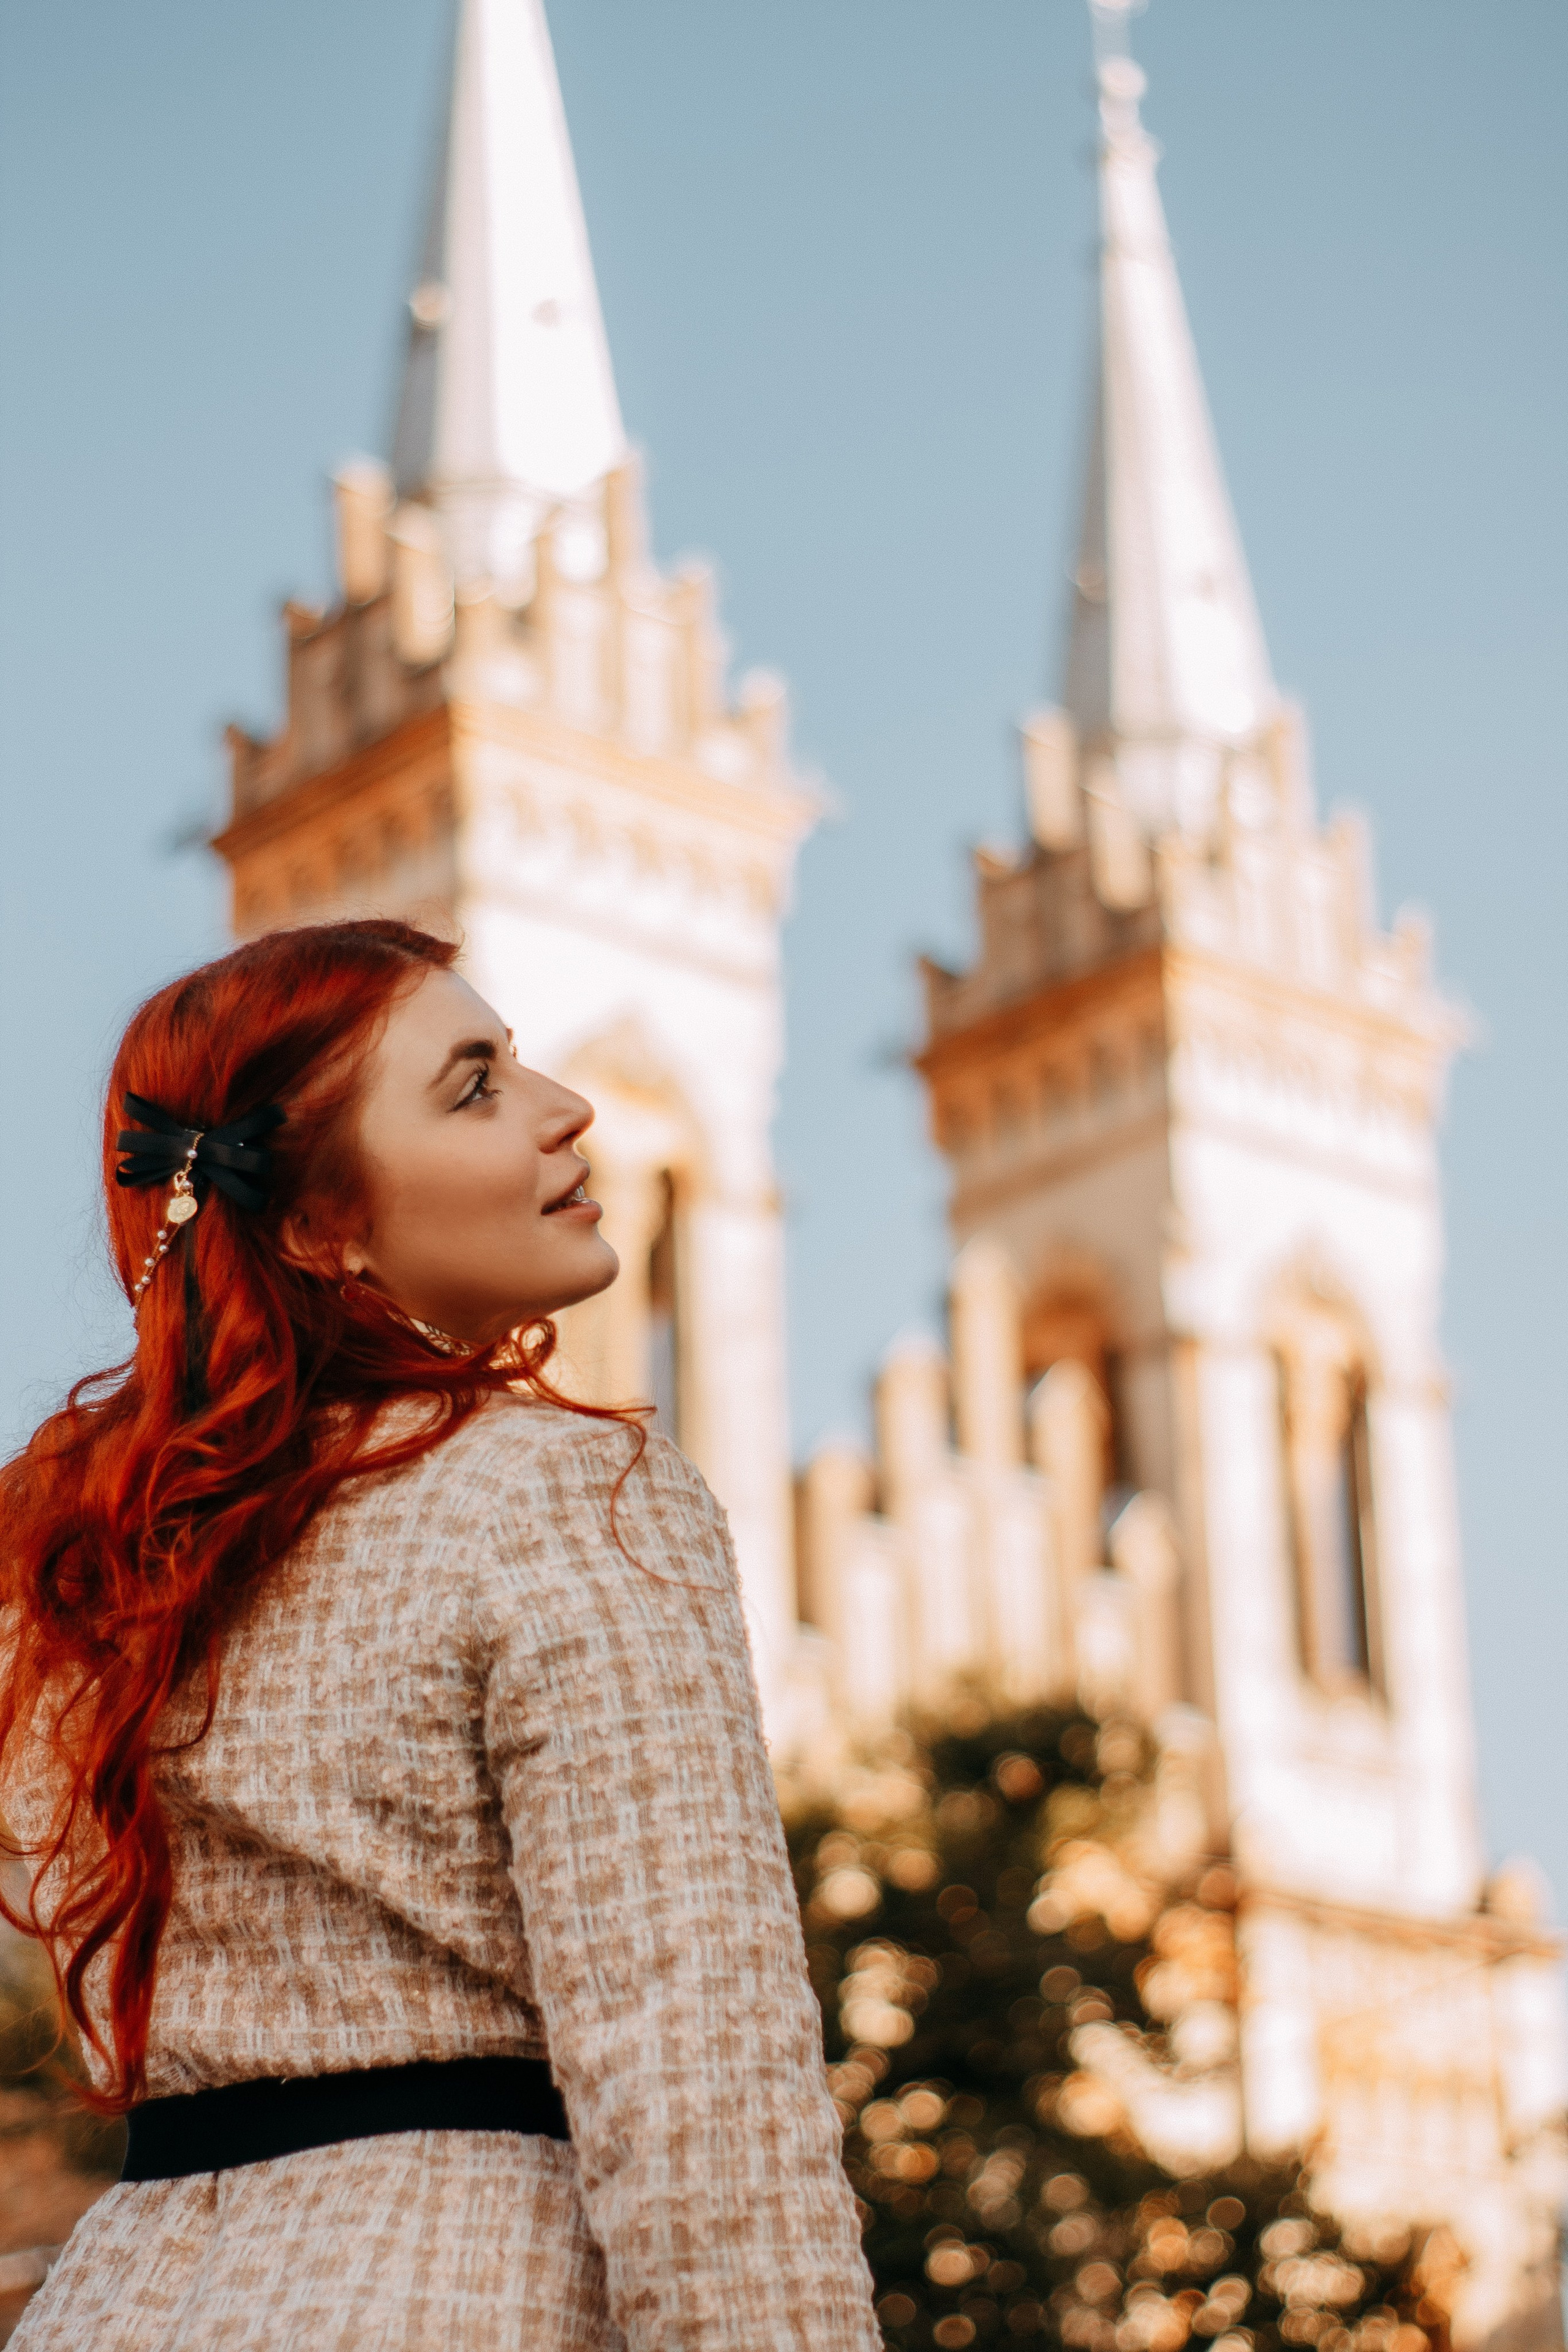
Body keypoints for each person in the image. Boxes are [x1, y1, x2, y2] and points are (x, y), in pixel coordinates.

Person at [0, 919, 879, 2351]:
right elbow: (706, 2098)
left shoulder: (93, 1571)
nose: (564, 1107)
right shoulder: (570, 1497)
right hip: (461, 2287)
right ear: (314, 1225)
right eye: (473, 1084)